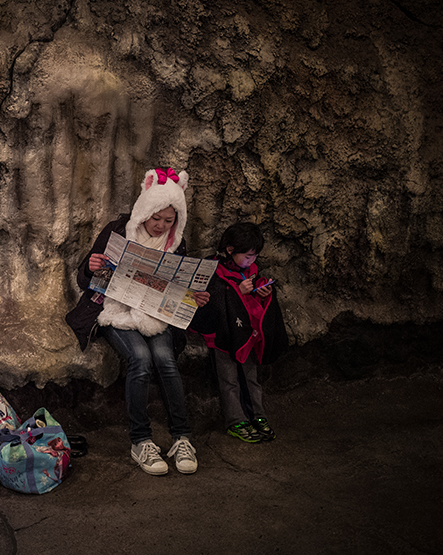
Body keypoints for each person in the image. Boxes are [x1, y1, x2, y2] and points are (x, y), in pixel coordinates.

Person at [65, 168, 210, 476]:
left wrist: (192, 298)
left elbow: (178, 290)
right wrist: (91, 267)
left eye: (169, 220)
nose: (161, 225)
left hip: (154, 313)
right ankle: (141, 441)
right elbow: (87, 280)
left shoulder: (176, 243)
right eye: (156, 218)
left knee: (165, 359)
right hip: (115, 308)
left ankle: (182, 438)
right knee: (141, 358)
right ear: (144, 210)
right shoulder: (118, 230)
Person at [191, 222, 288, 442]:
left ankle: (258, 416)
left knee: (251, 377)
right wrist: (236, 290)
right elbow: (211, 300)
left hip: (246, 334)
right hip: (222, 336)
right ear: (230, 250)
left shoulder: (250, 270)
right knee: (229, 379)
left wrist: (261, 291)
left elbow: (249, 301)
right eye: (248, 256)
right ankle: (236, 420)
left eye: (255, 256)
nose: (252, 261)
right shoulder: (212, 268)